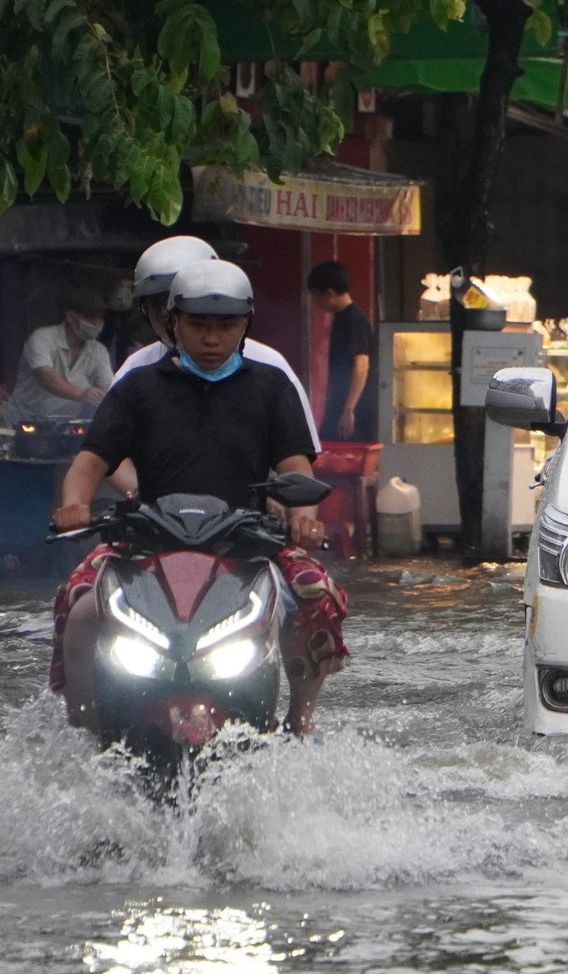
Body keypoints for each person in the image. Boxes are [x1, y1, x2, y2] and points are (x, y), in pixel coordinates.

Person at [50, 260, 347, 736]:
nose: (212, 338)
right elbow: (90, 461)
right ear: (174, 323)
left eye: (225, 325)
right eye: (199, 325)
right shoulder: (138, 387)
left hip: (247, 540)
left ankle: (301, 718)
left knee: (318, 594)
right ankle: (85, 731)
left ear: (244, 325)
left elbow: (296, 468)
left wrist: (303, 519)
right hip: (147, 538)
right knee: (81, 607)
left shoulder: (271, 388)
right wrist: (74, 505)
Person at [115, 236, 321, 450]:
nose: (164, 313)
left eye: (173, 302)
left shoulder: (271, 369)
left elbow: (297, 460)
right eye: (154, 304)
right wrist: (143, 484)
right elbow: (104, 451)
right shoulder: (135, 369)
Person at [2, 288, 113, 425]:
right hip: (21, 421)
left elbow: (105, 388)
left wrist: (98, 397)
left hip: (64, 426)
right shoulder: (42, 338)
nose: (97, 323)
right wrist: (82, 394)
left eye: (100, 317)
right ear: (70, 316)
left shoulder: (99, 351)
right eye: (90, 316)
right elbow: (45, 377)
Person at [307, 261, 374, 443]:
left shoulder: (354, 318)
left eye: (316, 296)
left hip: (351, 407)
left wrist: (349, 408)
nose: (316, 303)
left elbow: (361, 365)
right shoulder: (342, 316)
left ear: (329, 293)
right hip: (339, 401)